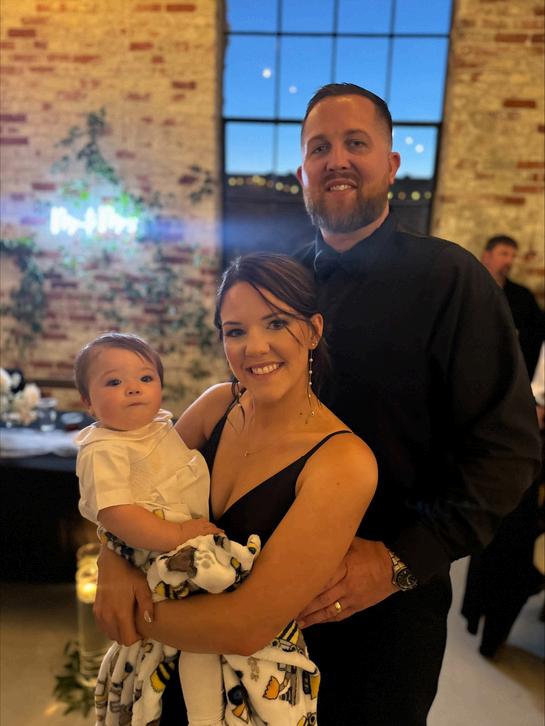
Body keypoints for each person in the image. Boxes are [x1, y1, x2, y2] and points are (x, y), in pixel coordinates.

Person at [289, 83, 542, 724]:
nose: (337, 159)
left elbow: (508, 452)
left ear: (392, 164)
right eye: (320, 147)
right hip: (270, 588)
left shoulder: (452, 280)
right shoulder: (279, 283)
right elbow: (233, 421)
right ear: (301, 172)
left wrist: (396, 563)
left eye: (356, 143)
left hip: (388, 611)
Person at [92, 254, 378, 725]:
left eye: (276, 323)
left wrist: (127, 612)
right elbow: (132, 492)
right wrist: (112, 562)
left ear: (313, 330)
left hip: (243, 697)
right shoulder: (216, 407)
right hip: (155, 678)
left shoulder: (343, 461)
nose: (255, 347)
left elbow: (247, 626)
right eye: (235, 331)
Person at [74, 332, 320, 726]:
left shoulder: (158, 429)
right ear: (87, 401)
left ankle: (211, 712)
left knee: (203, 646)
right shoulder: (103, 449)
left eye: (145, 378)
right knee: (197, 645)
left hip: (186, 546)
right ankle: (205, 715)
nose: (133, 388)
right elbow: (116, 514)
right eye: (114, 382)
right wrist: (177, 536)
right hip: (159, 549)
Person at [481, 235, 545, 377]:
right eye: (504, 254)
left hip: (509, 369)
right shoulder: (468, 289)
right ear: (486, 256)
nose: (509, 261)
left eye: (513, 256)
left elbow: (538, 329)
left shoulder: (523, 295)